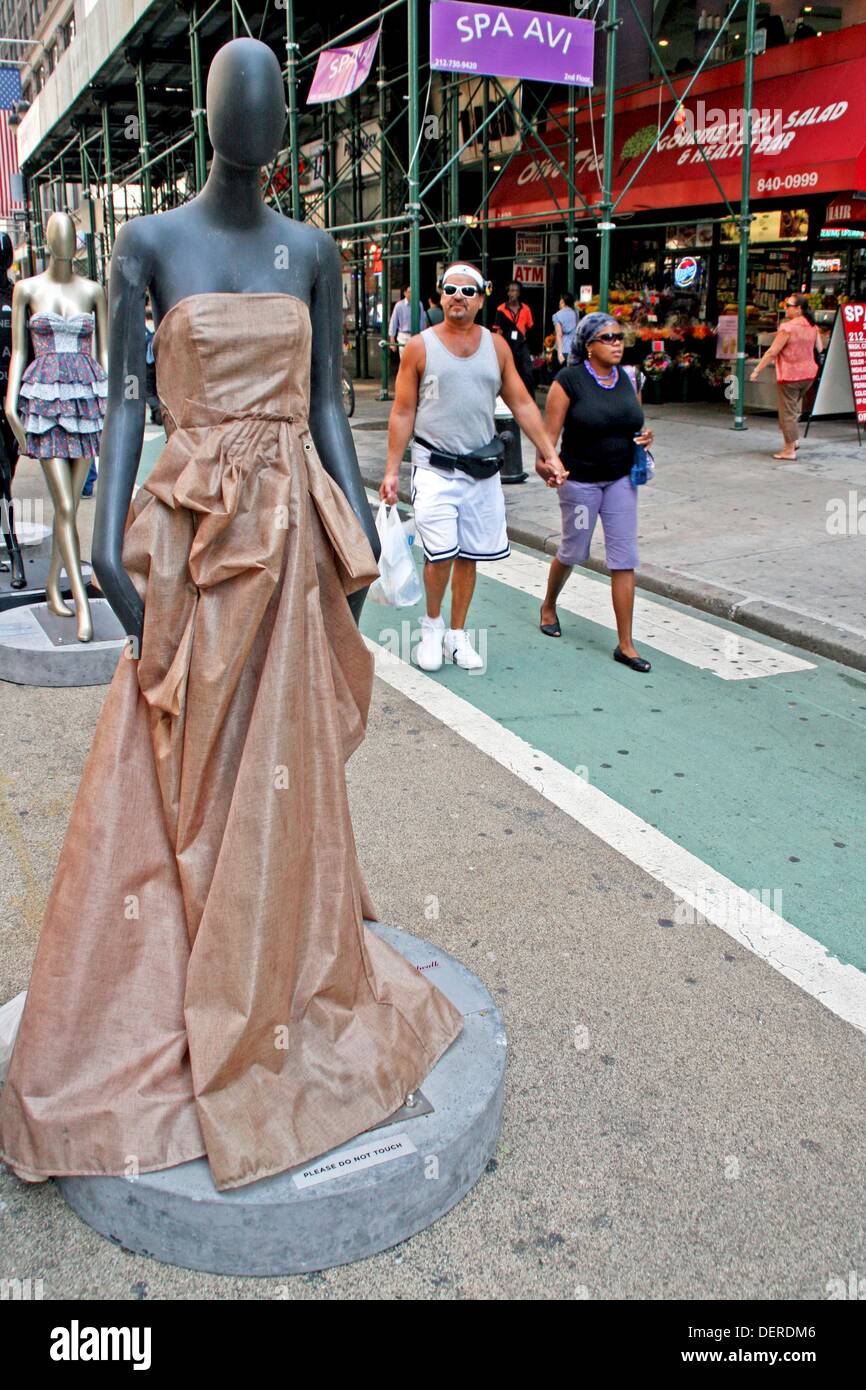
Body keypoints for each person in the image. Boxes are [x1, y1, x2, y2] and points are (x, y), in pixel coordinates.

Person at [380, 262, 565, 673]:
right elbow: (403, 412)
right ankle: (432, 626)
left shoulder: (496, 348)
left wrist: (549, 452)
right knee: (440, 554)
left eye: (467, 291)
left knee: (470, 555)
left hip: (481, 471)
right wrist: (393, 470)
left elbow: (520, 401)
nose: (458, 297)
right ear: (440, 296)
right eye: (450, 289)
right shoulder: (419, 347)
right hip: (434, 467)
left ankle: (457, 635)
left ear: (482, 299)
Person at [538, 311, 655, 673]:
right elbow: (547, 442)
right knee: (574, 550)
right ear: (589, 346)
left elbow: (633, 421)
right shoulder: (568, 382)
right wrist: (548, 467)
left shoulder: (628, 378)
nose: (617, 343)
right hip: (581, 482)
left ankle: (626, 644)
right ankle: (548, 605)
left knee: (624, 557)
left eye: (620, 337)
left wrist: (646, 437)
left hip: (621, 478)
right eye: (608, 338)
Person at [750, 292, 818, 460]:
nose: (785, 308)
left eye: (789, 306)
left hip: (790, 375)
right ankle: (793, 441)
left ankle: (789, 449)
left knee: (787, 413)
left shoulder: (787, 328)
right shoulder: (813, 326)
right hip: (808, 375)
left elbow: (773, 351)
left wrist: (757, 369)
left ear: (799, 309)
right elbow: (820, 348)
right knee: (793, 409)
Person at [493, 279, 536, 397]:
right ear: (508, 293)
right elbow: (498, 331)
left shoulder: (525, 309)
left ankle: (530, 399)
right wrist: (497, 350)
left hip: (521, 346)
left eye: (516, 291)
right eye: (511, 291)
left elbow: (529, 327)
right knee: (504, 374)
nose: (514, 293)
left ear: (519, 293)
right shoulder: (501, 309)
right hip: (507, 346)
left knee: (527, 373)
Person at [388, 284, 427, 357]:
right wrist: (392, 339)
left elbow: (422, 321)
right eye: (409, 292)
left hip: (416, 335)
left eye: (413, 292)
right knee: (404, 360)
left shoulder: (419, 304)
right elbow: (393, 322)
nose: (411, 294)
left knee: (416, 360)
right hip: (403, 336)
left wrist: (423, 337)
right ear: (404, 293)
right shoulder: (399, 305)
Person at [552, 290, 578, 366]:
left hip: (562, 351)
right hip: (572, 350)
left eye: (560, 299)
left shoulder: (557, 316)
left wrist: (560, 354)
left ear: (563, 301)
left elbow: (559, 335)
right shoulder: (576, 314)